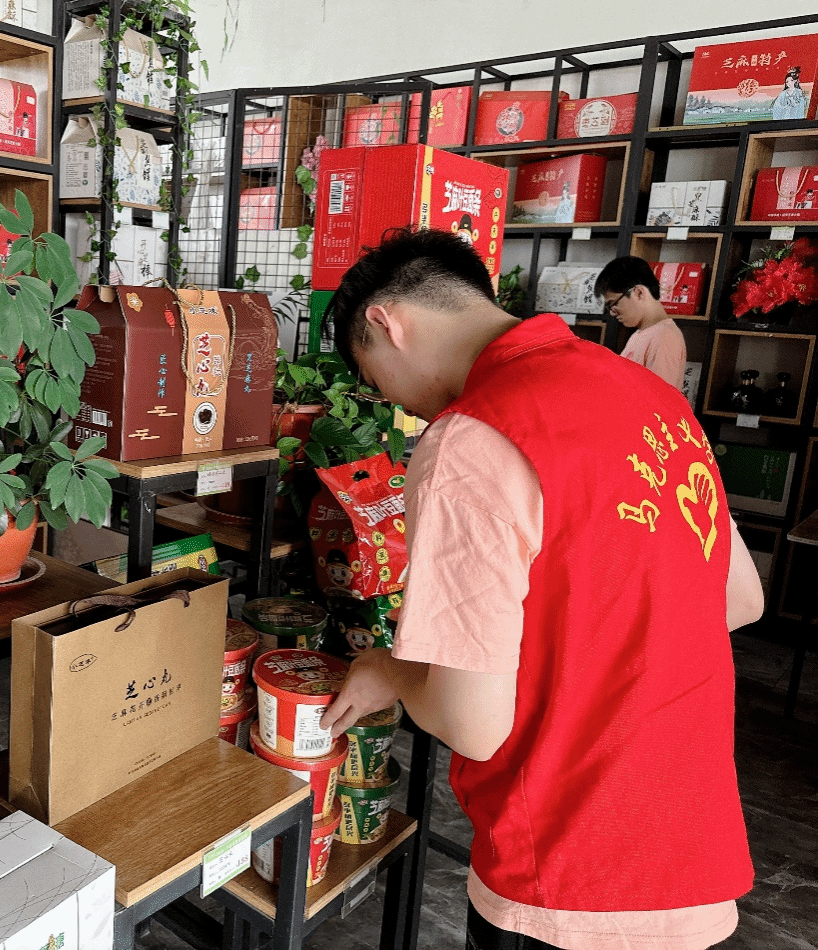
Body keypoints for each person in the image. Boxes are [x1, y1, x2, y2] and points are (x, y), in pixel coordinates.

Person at [319, 227, 761, 950]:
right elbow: (739, 600)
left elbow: (472, 725)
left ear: (386, 323)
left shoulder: (472, 438)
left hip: (566, 867)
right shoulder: (654, 399)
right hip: (692, 849)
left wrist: (389, 672)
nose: (394, 403)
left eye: (374, 380)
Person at [594, 256, 687, 390]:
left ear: (638, 293)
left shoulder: (665, 337)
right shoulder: (641, 333)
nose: (612, 313)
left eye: (613, 304)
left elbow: (658, 397)